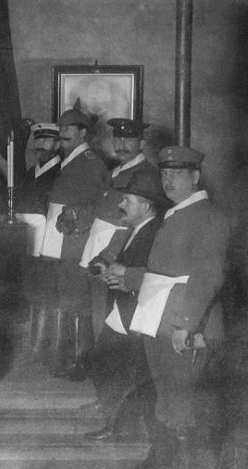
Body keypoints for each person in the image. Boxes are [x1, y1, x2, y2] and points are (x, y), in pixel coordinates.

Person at [130, 146, 230, 469]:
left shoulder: (208, 217)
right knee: (171, 407)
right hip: (163, 323)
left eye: (178, 174)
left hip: (188, 328)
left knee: (186, 410)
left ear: (196, 178)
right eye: (165, 174)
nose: (169, 181)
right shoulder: (178, 214)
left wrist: (186, 326)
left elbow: (208, 277)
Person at [83, 171, 172, 469]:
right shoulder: (135, 228)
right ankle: (119, 425)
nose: (121, 203)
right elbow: (119, 261)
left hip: (139, 314)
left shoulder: (155, 232)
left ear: (146, 206)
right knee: (107, 364)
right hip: (122, 311)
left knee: (143, 381)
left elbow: (156, 273)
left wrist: (126, 279)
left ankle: (154, 449)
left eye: (127, 200)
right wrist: (109, 271)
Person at [38, 109, 108, 379]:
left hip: (75, 240)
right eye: (61, 126)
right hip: (59, 240)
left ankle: (81, 362)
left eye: (71, 127)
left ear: (83, 132)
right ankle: (67, 357)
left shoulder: (91, 161)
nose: (64, 131)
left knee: (77, 300)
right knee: (65, 298)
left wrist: (76, 215)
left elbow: (100, 202)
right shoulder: (70, 160)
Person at [78, 119, 161, 341]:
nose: (121, 144)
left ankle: (103, 363)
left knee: (110, 316)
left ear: (142, 144)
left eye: (129, 140)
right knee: (96, 310)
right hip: (99, 251)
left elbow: (134, 226)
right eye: (117, 138)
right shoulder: (114, 172)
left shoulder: (146, 175)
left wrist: (109, 256)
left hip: (119, 256)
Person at [15, 123, 61, 362]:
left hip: (48, 241)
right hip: (27, 240)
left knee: (45, 291)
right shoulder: (30, 172)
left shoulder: (61, 172)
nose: (42, 144)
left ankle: (42, 345)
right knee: (30, 289)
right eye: (39, 139)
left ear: (58, 144)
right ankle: (33, 343)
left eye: (48, 140)